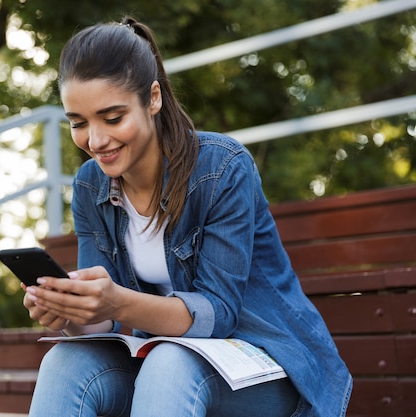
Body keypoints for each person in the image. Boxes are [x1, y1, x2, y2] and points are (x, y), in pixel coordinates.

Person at [21, 16, 352, 417]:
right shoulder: (91, 187)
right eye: (78, 123)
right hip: (169, 368)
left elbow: (218, 314)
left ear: (153, 98)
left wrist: (116, 303)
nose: (95, 140)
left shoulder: (223, 169)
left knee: (170, 361)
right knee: (65, 361)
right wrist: (69, 313)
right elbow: (101, 322)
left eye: (112, 118)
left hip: (266, 364)